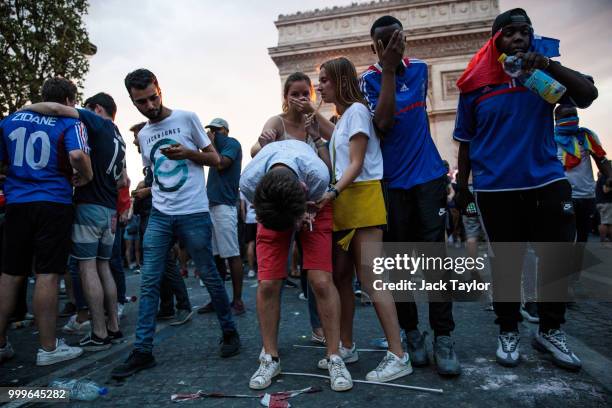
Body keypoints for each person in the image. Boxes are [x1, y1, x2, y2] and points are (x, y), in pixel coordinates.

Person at [454, 8, 598, 371]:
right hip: (495, 186)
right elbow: (466, 142)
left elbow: (586, 95)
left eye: (525, 32)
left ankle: (550, 330)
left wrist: (547, 64)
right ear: (495, 40)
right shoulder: (475, 85)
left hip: (547, 179)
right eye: (510, 33)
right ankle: (508, 330)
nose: (518, 38)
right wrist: (461, 188)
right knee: (507, 262)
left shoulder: (542, 76)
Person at [111, 69, 239, 378]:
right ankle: (142, 351)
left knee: (208, 274)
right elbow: (154, 173)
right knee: (150, 281)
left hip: (194, 212)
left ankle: (230, 331)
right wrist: (145, 189)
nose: (150, 106)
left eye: (153, 98)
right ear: (133, 100)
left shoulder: (187, 118)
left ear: (160, 90)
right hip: (160, 214)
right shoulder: (142, 135)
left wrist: (188, 154)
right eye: (141, 102)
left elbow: (216, 160)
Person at [360, 15, 460, 375]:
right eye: (381, 43)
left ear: (405, 39)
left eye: (394, 39)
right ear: (373, 47)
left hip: (429, 178)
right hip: (392, 183)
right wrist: (387, 70)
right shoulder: (367, 80)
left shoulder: (421, 68)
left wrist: (394, 68)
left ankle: (444, 336)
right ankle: (412, 333)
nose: (389, 47)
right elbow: (384, 123)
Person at [316, 56, 412, 382]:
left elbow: (356, 163)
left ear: (341, 80)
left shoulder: (356, 111)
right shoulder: (346, 117)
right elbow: (335, 137)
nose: (319, 86)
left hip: (360, 197)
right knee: (342, 276)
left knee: (372, 281)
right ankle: (345, 345)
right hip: (346, 200)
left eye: (325, 81)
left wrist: (330, 192)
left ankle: (399, 354)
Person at [242, 139, 352, 392]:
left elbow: (319, 199)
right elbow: (262, 213)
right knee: (268, 282)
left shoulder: (316, 174)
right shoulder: (249, 181)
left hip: (314, 204)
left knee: (321, 281)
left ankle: (334, 355)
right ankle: (270, 357)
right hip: (273, 211)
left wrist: (304, 213)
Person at [25, 92, 128, 351]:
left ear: (97, 109)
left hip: (90, 205)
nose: (77, 109)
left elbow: (57, 110)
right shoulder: (118, 135)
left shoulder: (96, 121)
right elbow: (122, 181)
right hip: (109, 209)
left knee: (87, 267)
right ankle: (113, 327)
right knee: (104, 267)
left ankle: (98, 331)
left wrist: (25, 109)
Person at [0, 77, 92, 365]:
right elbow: (77, 154)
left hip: (17, 203)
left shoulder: (10, 120)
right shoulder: (71, 122)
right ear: (67, 101)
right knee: (47, 274)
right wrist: (86, 176)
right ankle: (48, 348)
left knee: (10, 273)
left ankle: (1, 343)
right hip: (53, 201)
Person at [554, 105, 612, 293]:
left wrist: (609, 176)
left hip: (587, 196)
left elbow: (601, 159)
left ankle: (573, 278)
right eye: (566, 115)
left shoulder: (586, 136)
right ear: (556, 119)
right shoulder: (549, 138)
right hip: (563, 196)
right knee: (566, 237)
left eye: (574, 115)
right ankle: (564, 282)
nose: (572, 118)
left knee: (582, 240)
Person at [199, 118, 244, 315]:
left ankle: (238, 301)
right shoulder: (214, 150)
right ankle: (218, 299)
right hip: (211, 206)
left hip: (225, 206)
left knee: (231, 253)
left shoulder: (232, 143)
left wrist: (210, 145)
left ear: (225, 130)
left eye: (216, 130)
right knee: (216, 255)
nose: (213, 133)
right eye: (210, 130)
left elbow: (222, 164)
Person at [240, 191, 257, 278]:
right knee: (261, 244)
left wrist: (244, 220)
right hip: (260, 219)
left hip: (249, 220)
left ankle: (251, 270)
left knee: (250, 244)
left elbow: (243, 208)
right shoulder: (259, 186)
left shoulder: (244, 190)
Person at [595, 172, 612, 246]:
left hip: (602, 202)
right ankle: (604, 242)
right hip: (606, 203)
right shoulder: (605, 176)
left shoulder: (603, 176)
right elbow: (605, 189)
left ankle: (606, 241)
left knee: (605, 222)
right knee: (605, 223)